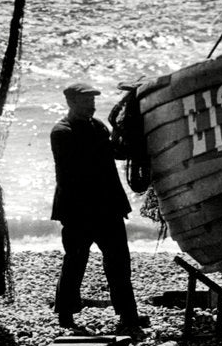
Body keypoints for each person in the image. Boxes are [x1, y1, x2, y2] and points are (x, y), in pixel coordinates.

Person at [50, 81, 148, 331]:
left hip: (107, 209)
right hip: (78, 212)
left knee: (119, 263)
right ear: (71, 103)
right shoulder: (62, 132)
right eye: (86, 102)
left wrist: (133, 134)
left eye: (93, 102)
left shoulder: (98, 127)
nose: (91, 106)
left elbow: (116, 153)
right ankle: (65, 314)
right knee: (75, 262)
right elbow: (72, 175)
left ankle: (128, 317)